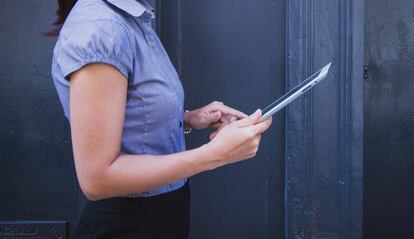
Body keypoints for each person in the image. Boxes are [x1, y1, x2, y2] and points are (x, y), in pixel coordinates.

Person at [48, 0, 273, 238]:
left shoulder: (130, 18)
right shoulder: (100, 27)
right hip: (128, 226)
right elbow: (97, 179)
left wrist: (187, 119)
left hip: (160, 216)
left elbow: (129, 112)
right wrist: (216, 154)